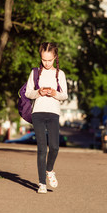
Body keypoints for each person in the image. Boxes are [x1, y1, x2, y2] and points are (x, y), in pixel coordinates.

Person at [25, 42, 68, 194]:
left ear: (55, 57)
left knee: (55, 147)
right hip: (38, 113)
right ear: (41, 58)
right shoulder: (36, 72)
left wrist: (55, 93)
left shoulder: (60, 74)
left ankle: (50, 170)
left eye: (49, 60)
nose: (47, 63)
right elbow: (28, 92)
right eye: (44, 60)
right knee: (42, 148)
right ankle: (42, 183)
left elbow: (65, 95)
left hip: (53, 113)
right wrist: (39, 92)